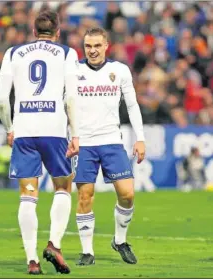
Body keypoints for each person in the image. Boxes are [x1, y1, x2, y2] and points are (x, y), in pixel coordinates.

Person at [0, 10, 79, 275]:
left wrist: (10, 128)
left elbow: (1, 99)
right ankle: (54, 244)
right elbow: (71, 99)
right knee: (63, 186)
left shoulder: (13, 53)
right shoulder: (67, 53)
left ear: (33, 32)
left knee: (28, 195)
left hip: (24, 130)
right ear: (58, 32)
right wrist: (75, 133)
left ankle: (32, 261)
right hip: (54, 130)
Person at [73, 27, 145, 266]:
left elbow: (132, 106)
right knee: (85, 196)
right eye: (88, 46)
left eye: (96, 46)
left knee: (127, 194)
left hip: (112, 141)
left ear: (106, 46)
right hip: (84, 143)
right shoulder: (74, 71)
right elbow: (66, 106)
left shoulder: (119, 70)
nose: (92, 50)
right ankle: (87, 252)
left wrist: (140, 138)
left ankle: (120, 240)